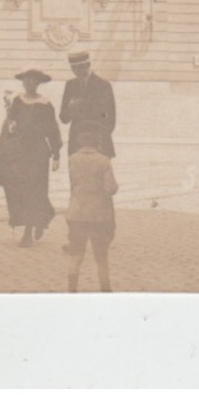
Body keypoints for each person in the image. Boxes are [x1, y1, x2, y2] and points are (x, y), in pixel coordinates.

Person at [0, 69, 63, 247]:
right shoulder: (18, 101)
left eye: (33, 81)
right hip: (20, 152)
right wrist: (11, 124)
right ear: (23, 83)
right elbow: (11, 122)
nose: (29, 84)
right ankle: (41, 218)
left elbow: (53, 130)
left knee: (35, 190)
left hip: (38, 153)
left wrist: (56, 154)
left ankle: (29, 232)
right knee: (21, 189)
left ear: (38, 83)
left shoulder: (45, 104)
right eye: (27, 81)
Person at [64, 123, 118, 292]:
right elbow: (111, 188)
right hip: (99, 216)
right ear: (98, 142)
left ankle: (72, 290)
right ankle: (105, 290)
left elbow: (74, 184)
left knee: (76, 255)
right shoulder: (103, 161)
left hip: (76, 213)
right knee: (101, 257)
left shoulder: (72, 159)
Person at [59, 51, 116, 157]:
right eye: (73, 68)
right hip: (77, 144)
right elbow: (63, 118)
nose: (76, 72)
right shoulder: (70, 85)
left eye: (80, 68)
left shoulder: (103, 85)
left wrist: (102, 138)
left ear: (88, 65)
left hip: (99, 143)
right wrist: (70, 109)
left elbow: (111, 118)